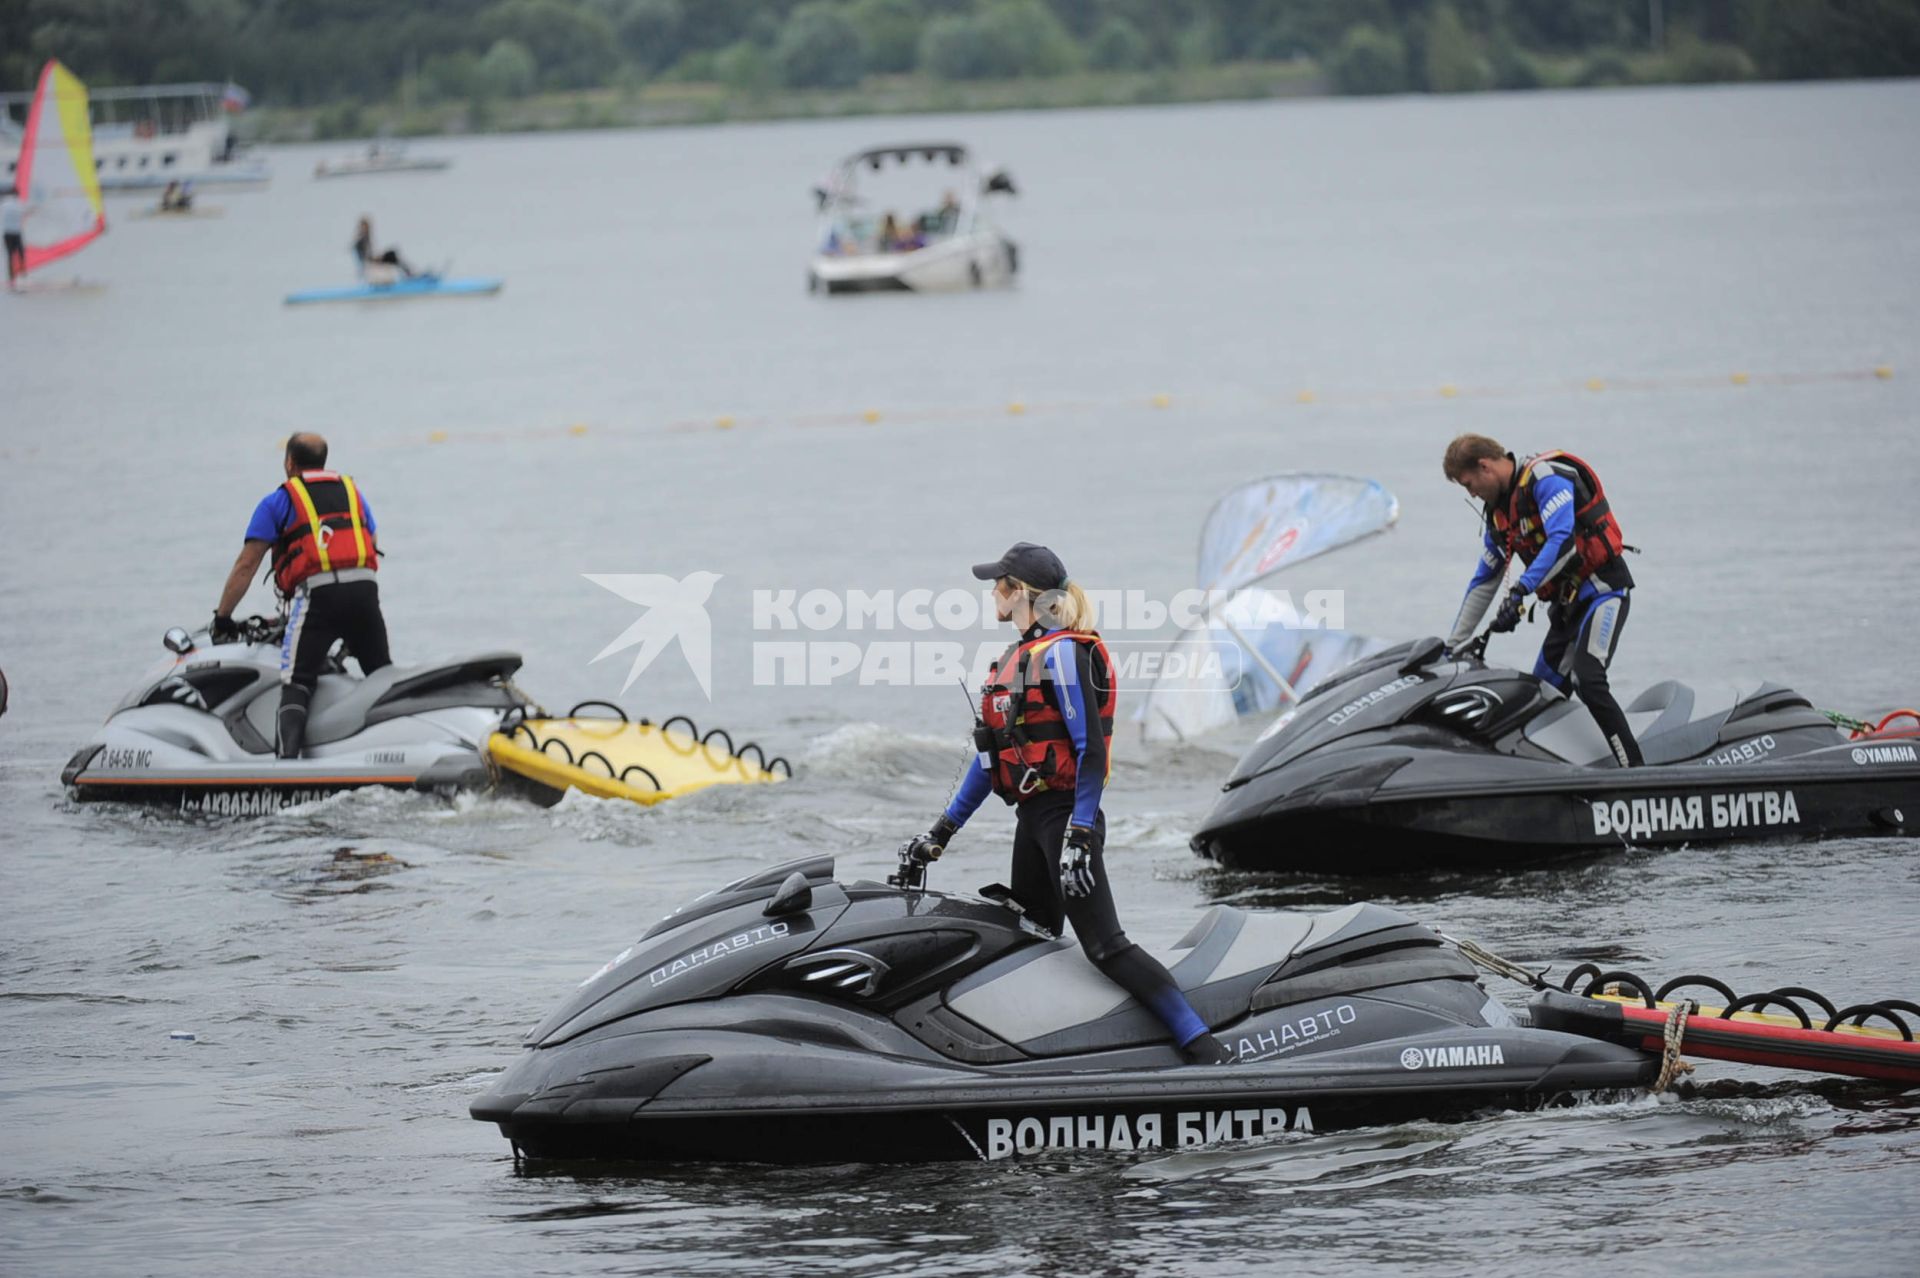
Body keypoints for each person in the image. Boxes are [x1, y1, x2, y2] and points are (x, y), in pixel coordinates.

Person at [903, 543, 1233, 1066]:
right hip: (1032, 819)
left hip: (1064, 819)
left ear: (1022, 594)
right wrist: (940, 832)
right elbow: (989, 762)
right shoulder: (1016, 659)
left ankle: (1208, 1051)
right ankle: (1056, 1051)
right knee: (1028, 937)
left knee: (1106, 946)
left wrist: (1080, 834)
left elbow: (1091, 751)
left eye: (999, 584)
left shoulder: (1062, 653)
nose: (992, 592)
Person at [1443, 434, 1643, 767]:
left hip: (1603, 591)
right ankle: (1545, 777)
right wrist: (1452, 648)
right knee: (1536, 698)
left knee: (1587, 680)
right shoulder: (1499, 515)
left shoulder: (1544, 479)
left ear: (1485, 466)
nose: (1471, 494)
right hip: (1567, 610)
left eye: (1469, 484)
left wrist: (1521, 590)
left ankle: (1636, 773)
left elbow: (1563, 543)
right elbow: (1485, 580)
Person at [211, 433, 391, 759]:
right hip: (365, 592)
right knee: (381, 674)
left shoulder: (278, 501)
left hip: (320, 597)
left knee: (297, 682)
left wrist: (222, 618)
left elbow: (246, 565)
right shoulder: (353, 493)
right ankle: (392, 753)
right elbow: (371, 538)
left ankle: (286, 770)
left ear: (290, 463)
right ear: (323, 460)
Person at [2, 186, 24, 287]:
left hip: (8, 234)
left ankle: (12, 279)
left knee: (10, 256)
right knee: (20, 254)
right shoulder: (19, 204)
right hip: (16, 233)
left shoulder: (4, 204)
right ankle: (22, 275)